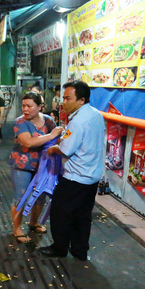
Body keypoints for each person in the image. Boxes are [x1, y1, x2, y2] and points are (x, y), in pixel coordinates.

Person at [38, 81, 105, 261]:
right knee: (83, 215)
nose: (63, 102)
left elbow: (66, 149)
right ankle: (80, 250)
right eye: (63, 98)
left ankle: (59, 248)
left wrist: (53, 149)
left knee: (60, 213)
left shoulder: (78, 121)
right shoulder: (96, 114)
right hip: (92, 176)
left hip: (75, 177)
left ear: (81, 100)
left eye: (68, 98)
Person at [9, 92, 62, 244]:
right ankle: (17, 229)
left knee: (40, 196)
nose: (25, 109)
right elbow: (28, 142)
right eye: (23, 105)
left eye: (29, 106)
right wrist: (51, 136)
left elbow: (58, 137)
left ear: (40, 107)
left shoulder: (49, 120)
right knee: (20, 196)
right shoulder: (20, 122)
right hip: (22, 165)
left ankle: (34, 222)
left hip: (44, 166)